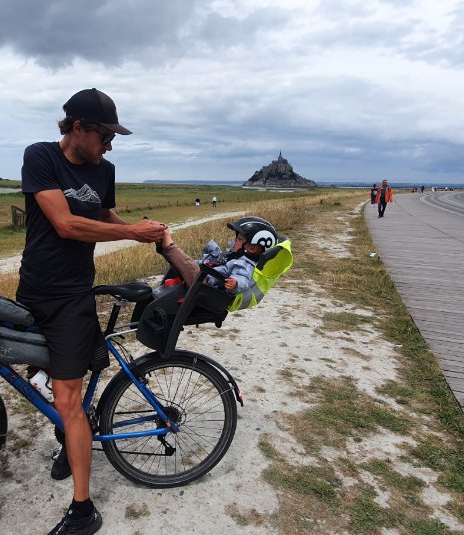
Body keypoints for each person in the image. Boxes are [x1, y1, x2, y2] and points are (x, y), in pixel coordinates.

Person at [17, 88, 166, 535]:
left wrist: (144, 230)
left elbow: (104, 214)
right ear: (77, 127)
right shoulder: (41, 156)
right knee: (38, 378)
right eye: (105, 133)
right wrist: (130, 234)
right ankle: (71, 440)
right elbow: (65, 224)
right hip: (33, 288)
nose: (110, 143)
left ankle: (84, 510)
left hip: (70, 297)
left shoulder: (106, 169)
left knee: (66, 397)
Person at [156, 216, 279, 297]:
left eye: (239, 239)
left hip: (206, 285)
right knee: (184, 264)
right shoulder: (236, 256)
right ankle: (163, 247)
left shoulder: (244, 264)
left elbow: (243, 279)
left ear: (252, 248)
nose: (235, 240)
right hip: (203, 278)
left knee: (189, 266)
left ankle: (168, 246)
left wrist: (235, 284)